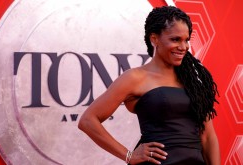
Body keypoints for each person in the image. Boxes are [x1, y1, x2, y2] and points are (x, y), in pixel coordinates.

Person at [78, 6, 220, 165]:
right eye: (175, 39)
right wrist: (128, 155)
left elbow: (208, 137)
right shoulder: (135, 78)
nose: (183, 47)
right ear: (154, 39)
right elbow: (88, 120)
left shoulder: (194, 81)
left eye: (186, 40)